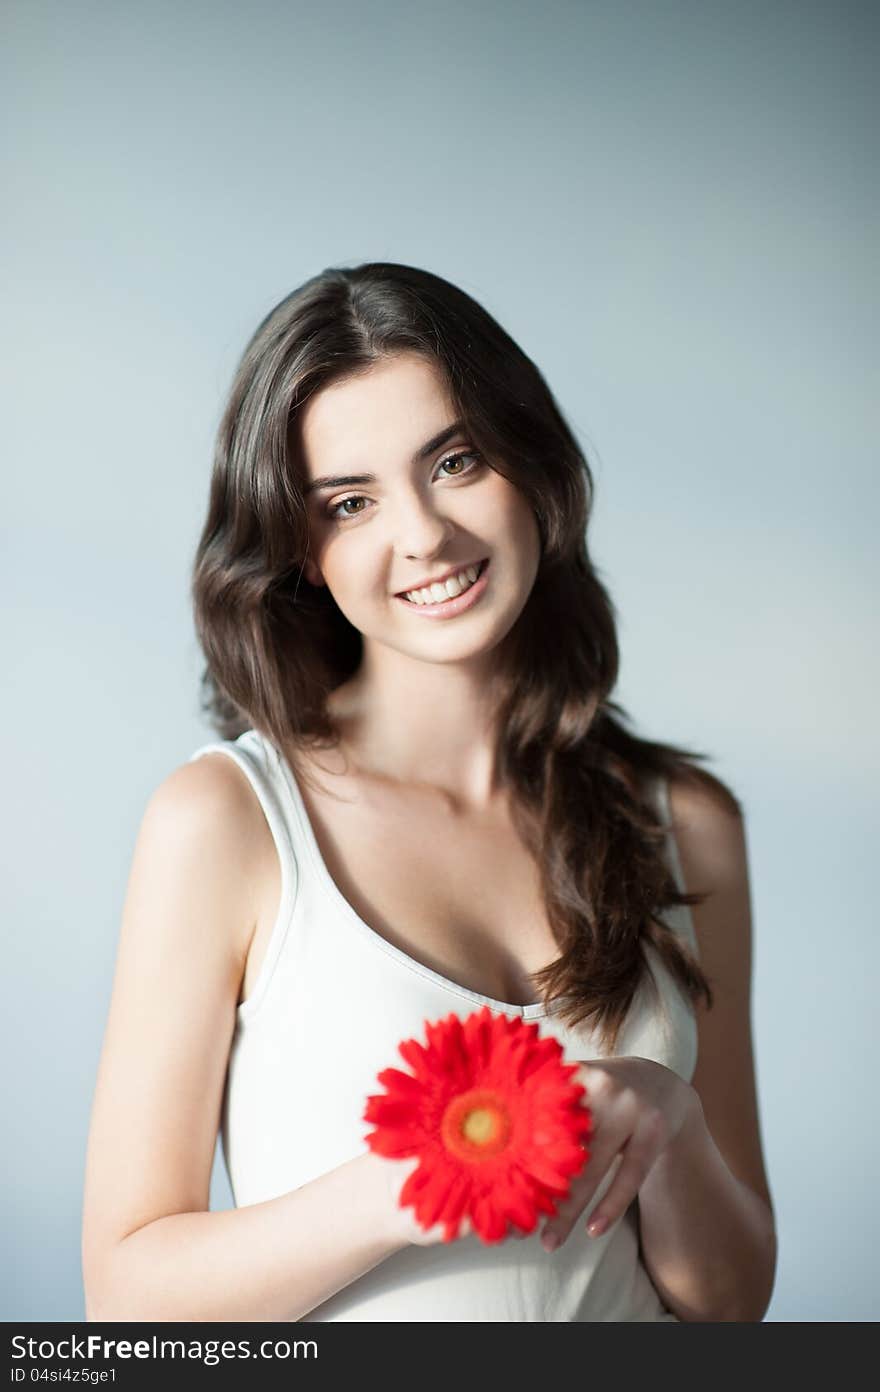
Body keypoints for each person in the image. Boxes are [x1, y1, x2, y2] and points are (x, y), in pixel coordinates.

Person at [81, 262, 777, 1322]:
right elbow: (126, 1304)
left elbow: (731, 1307)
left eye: (454, 461)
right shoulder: (226, 825)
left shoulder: (686, 826)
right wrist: (399, 1190)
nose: (423, 535)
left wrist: (670, 1123)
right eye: (350, 502)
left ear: (529, 464)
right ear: (303, 553)